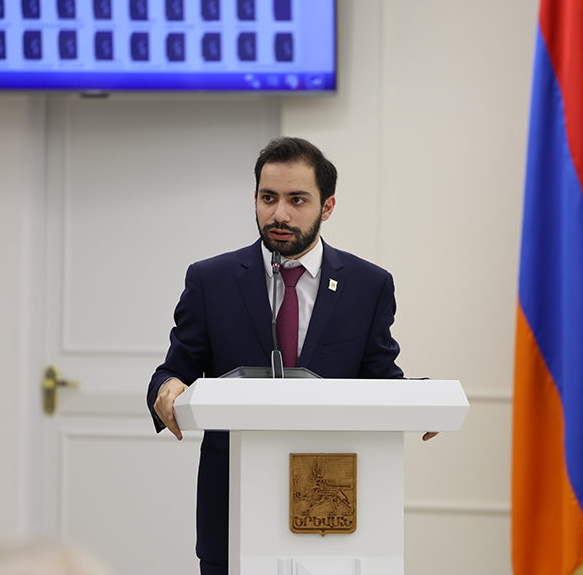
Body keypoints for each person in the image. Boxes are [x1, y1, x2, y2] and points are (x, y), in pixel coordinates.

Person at [147, 137, 434, 575]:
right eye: (268, 198)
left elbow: (380, 376)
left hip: (329, 508)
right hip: (233, 505)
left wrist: (422, 400)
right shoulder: (211, 280)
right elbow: (174, 370)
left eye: (296, 200)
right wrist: (167, 387)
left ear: (327, 206)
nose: (279, 214)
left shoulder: (368, 285)